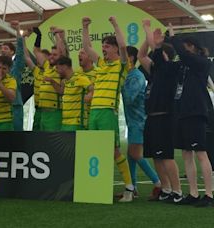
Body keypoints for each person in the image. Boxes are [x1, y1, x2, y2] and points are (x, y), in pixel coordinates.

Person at [82, 16, 134, 202]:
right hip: (94, 111)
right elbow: (87, 48)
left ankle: (129, 188)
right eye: (102, 46)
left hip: (107, 112)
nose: (103, 49)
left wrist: (114, 24)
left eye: (106, 46)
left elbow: (123, 46)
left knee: (113, 151)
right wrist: (85, 27)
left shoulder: (121, 65)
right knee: (95, 150)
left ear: (114, 50)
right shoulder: (102, 64)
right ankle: (98, 187)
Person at [168, 24, 213, 207]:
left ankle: (209, 195)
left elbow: (184, 54)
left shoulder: (202, 62)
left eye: (185, 46)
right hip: (183, 112)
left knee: (201, 153)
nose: (182, 51)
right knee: (186, 154)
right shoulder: (184, 66)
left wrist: (173, 37)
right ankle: (193, 193)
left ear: (192, 47)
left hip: (196, 112)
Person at [138, 20, 182, 203]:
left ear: (165, 55)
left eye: (158, 51)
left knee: (166, 156)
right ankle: (165, 189)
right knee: (155, 156)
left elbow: (155, 52)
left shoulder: (171, 69)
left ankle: (177, 192)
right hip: (151, 118)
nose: (154, 54)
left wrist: (147, 29)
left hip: (165, 117)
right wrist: (148, 41)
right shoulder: (154, 71)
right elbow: (141, 55)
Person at [122, 45, 161, 199]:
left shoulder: (137, 76)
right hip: (132, 122)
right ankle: (133, 188)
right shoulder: (129, 75)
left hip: (139, 122)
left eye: (122, 56)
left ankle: (158, 183)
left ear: (130, 58)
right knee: (131, 155)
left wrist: (118, 86)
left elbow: (130, 98)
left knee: (135, 154)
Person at [0, 21, 25, 131]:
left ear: (13, 52)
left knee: (16, 137)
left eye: (6, 48)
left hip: (15, 107)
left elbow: (21, 51)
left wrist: (18, 30)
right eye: (2, 48)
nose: (3, 50)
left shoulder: (16, 67)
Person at [34, 26, 67, 131]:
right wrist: (39, 36)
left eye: (55, 55)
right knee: (42, 144)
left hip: (54, 113)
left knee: (53, 145)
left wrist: (56, 35)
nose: (51, 57)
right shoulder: (47, 65)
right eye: (51, 54)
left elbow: (62, 51)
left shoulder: (61, 68)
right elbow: (36, 51)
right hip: (43, 113)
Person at [51, 56, 93, 131]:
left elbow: (92, 89)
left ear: (64, 67)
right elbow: (61, 92)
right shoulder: (65, 81)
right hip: (65, 123)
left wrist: (89, 95)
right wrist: (52, 81)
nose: (56, 71)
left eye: (57, 68)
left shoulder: (80, 78)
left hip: (77, 124)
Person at [0, 55, 17, 131]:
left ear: (9, 70)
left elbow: (11, 98)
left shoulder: (11, 80)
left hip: (4, 122)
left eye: (4, 68)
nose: (0, 70)